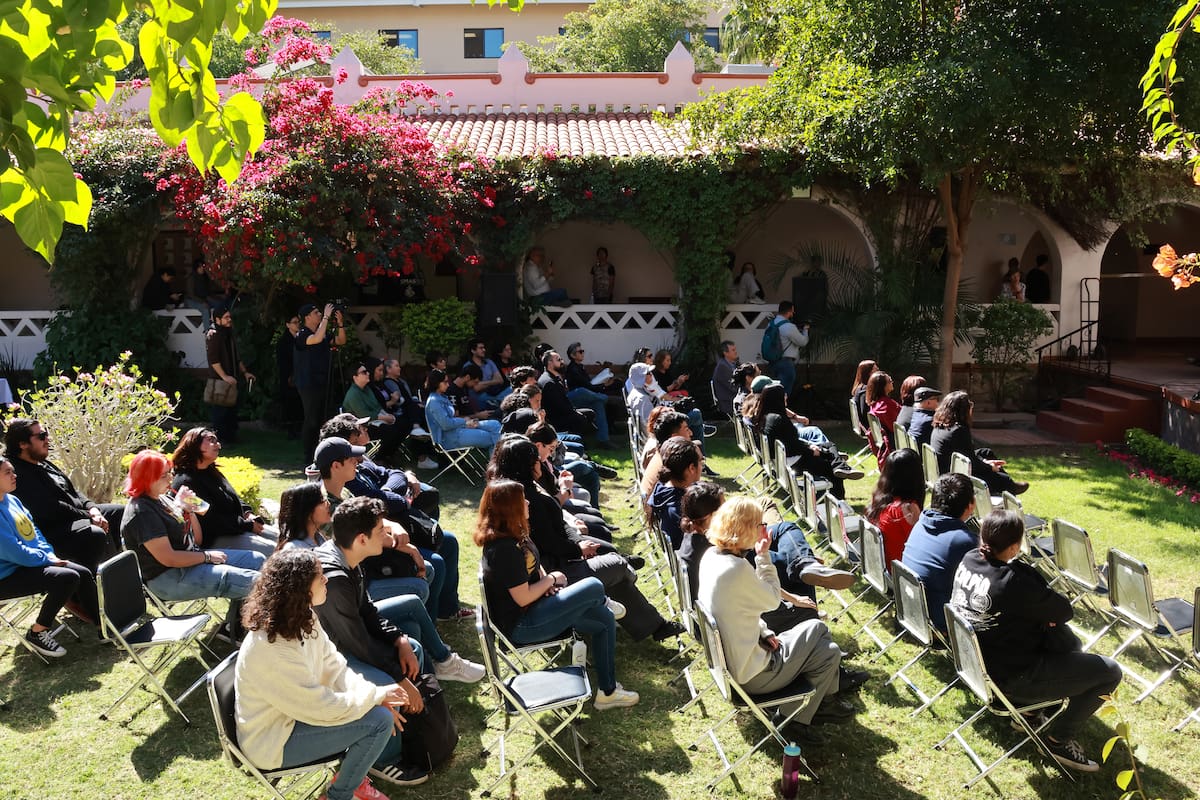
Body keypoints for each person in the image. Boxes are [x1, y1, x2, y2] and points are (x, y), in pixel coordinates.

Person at [233, 549, 422, 800]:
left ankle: (351, 782)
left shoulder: (304, 616)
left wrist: (372, 696)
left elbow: (335, 666)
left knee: (376, 712)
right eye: (319, 576)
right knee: (379, 721)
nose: (326, 580)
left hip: (297, 715)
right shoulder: (272, 648)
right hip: (273, 742)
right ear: (300, 589)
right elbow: (319, 706)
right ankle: (339, 795)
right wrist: (374, 697)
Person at [951, 510, 1122, 773]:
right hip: (1011, 678)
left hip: (977, 666)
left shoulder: (969, 559)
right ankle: (1057, 741)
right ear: (1014, 547)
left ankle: (1028, 712)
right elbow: (1064, 611)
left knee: (1063, 644)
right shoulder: (1013, 580)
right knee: (1109, 672)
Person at [491, 436, 684, 642]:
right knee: (618, 566)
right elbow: (548, 544)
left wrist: (578, 542)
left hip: (560, 561)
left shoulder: (525, 489)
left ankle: (653, 624)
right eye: (535, 459)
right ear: (526, 464)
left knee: (613, 567)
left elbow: (559, 524)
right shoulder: (523, 501)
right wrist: (577, 550)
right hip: (554, 574)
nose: (540, 461)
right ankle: (631, 609)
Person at [476, 478, 638, 710]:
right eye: (523, 500)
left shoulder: (516, 534)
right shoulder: (503, 550)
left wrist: (545, 582)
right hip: (523, 626)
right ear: (510, 508)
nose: (528, 502)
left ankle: (607, 692)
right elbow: (522, 597)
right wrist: (552, 580)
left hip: (536, 608)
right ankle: (602, 600)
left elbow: (535, 565)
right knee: (593, 585)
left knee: (604, 619)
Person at [696, 497, 850, 740]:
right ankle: (804, 713)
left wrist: (765, 632)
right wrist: (763, 556)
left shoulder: (711, 556)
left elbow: (735, 610)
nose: (764, 530)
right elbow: (772, 599)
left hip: (734, 666)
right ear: (747, 528)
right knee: (818, 627)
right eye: (760, 525)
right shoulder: (736, 568)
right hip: (755, 675)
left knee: (829, 651)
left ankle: (811, 710)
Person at [121, 450, 265, 636]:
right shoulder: (142, 512)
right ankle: (257, 629)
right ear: (146, 478)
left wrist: (189, 511)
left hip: (190, 562)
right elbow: (169, 559)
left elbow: (197, 540)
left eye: (170, 472)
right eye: (164, 475)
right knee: (257, 582)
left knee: (256, 560)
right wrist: (206, 557)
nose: (170, 478)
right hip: (168, 578)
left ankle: (235, 626)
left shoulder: (163, 498)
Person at [0, 455, 99, 657]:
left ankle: (104, 626)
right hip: (6, 577)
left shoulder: (12, 500)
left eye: (13, 471)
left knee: (82, 572)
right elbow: (14, 551)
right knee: (67, 577)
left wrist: (49, 553)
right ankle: (38, 632)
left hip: (27, 564)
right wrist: (46, 559)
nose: (14, 475)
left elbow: (34, 533)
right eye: (7, 472)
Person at [5, 418, 124, 571]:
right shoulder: (18, 472)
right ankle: (92, 579)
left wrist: (92, 508)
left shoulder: (42, 462)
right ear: (22, 444)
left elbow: (73, 491)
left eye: (46, 434)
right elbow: (52, 508)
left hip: (74, 516)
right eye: (41, 436)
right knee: (94, 532)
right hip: (54, 529)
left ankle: (118, 570)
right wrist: (89, 516)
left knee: (117, 512)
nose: (47, 439)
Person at [171, 427, 276, 557]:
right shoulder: (184, 483)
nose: (218, 445)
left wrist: (247, 513)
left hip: (235, 528)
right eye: (211, 440)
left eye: (217, 441)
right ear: (194, 444)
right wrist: (247, 526)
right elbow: (210, 519)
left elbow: (232, 496)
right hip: (213, 539)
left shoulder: (211, 471)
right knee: (271, 549)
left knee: (282, 537)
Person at [754, 383, 859, 499]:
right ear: (777, 398)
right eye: (783, 394)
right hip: (792, 462)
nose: (786, 396)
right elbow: (792, 446)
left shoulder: (764, 417)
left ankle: (839, 464)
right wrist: (810, 450)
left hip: (780, 461)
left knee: (828, 445)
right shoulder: (779, 419)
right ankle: (838, 498)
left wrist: (809, 445)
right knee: (829, 466)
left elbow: (790, 442)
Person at [901, 473, 977, 633]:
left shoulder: (921, 523)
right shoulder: (964, 541)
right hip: (938, 623)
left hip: (910, 609)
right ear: (971, 505)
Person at [930, 390, 1029, 495]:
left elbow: (967, 454)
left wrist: (985, 462)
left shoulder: (940, 425)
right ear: (964, 409)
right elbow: (971, 463)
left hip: (949, 466)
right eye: (970, 404)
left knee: (986, 452)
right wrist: (990, 467)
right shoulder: (959, 430)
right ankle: (1008, 485)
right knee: (1002, 479)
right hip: (953, 476)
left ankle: (1009, 483)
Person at [295, 303, 347, 464]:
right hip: (308, 383)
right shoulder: (302, 335)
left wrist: (340, 324)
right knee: (311, 418)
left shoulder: (323, 333)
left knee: (324, 417)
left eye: (320, 312)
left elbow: (340, 340)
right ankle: (308, 455)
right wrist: (325, 317)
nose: (319, 314)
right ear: (307, 317)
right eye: (316, 312)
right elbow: (316, 339)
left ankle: (323, 451)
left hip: (324, 381)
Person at [865, 449, 925, 570]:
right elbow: (922, 546)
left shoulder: (879, 501)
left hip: (882, 569)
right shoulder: (907, 509)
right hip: (902, 573)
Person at [205, 302, 255, 445]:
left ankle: (231, 438)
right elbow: (214, 360)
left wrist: (245, 372)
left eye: (229, 317)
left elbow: (236, 357)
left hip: (232, 379)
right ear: (217, 319)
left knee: (232, 411)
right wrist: (225, 377)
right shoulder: (213, 334)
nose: (229, 320)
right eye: (226, 317)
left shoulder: (228, 333)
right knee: (220, 413)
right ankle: (219, 440)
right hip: (220, 381)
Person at [423, 369, 501, 453]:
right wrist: (464, 421)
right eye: (445, 382)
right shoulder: (434, 402)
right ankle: (499, 460)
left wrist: (466, 423)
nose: (448, 384)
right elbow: (446, 424)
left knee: (495, 424)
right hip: (449, 438)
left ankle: (497, 460)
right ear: (436, 383)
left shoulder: (442, 397)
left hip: (458, 429)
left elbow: (452, 419)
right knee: (493, 437)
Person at [342, 359, 401, 463]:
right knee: (391, 431)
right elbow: (363, 415)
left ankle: (387, 455)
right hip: (361, 427)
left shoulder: (366, 389)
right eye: (364, 372)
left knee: (401, 424)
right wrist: (385, 418)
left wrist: (387, 416)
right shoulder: (353, 394)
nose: (368, 373)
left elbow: (377, 406)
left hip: (374, 421)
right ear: (355, 377)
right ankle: (379, 458)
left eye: (367, 371)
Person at [538, 350, 603, 443]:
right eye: (558, 360)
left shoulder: (553, 378)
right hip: (555, 418)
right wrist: (576, 413)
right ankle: (579, 444)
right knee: (581, 418)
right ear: (550, 363)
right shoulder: (548, 382)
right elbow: (559, 407)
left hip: (563, 412)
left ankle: (592, 440)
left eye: (561, 359)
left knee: (590, 412)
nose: (562, 362)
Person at [560, 343, 613, 448]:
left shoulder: (581, 367)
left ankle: (603, 440)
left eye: (582, 351)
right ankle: (604, 398)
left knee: (598, 404)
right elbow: (585, 385)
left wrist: (601, 385)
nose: (582, 353)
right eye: (580, 352)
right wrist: (603, 386)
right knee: (581, 391)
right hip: (574, 398)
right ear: (573, 355)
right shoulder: (572, 368)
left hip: (586, 397)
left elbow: (589, 385)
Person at [767, 301, 810, 395]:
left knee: (774, 391)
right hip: (786, 363)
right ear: (789, 312)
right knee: (784, 393)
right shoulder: (789, 326)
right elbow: (803, 342)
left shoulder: (771, 324)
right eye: (792, 311)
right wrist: (805, 330)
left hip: (773, 362)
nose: (793, 314)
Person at [275, 482, 332, 551]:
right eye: (322, 501)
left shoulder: (320, 539)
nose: (328, 504)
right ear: (307, 511)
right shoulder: (295, 549)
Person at [275, 313, 302, 439]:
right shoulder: (283, 342)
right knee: (290, 402)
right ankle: (291, 430)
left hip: (299, 374)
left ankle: (298, 428)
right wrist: (289, 375)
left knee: (299, 402)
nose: (298, 324)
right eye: (295, 322)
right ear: (288, 325)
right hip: (288, 376)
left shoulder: (300, 338)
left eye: (298, 322)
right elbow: (282, 362)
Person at [865, 370, 900, 461]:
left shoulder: (876, 403)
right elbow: (896, 427)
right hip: (895, 444)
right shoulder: (885, 405)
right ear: (882, 386)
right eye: (889, 381)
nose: (892, 382)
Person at [463, 338, 505, 409]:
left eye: (484, 348)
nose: (484, 350)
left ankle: (497, 402)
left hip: (494, 393)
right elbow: (476, 388)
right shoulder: (468, 366)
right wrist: (493, 381)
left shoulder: (489, 362)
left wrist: (482, 383)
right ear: (473, 350)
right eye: (481, 348)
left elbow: (500, 380)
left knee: (511, 389)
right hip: (479, 397)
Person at [711, 340, 740, 417]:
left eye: (735, 349)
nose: (736, 352)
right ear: (725, 353)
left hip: (734, 398)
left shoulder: (732, 364)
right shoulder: (722, 367)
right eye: (733, 350)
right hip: (728, 402)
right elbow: (733, 387)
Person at [849, 359, 877, 429]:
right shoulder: (864, 391)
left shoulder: (860, 387)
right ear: (868, 373)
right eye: (876, 370)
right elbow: (865, 413)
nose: (878, 373)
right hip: (869, 428)